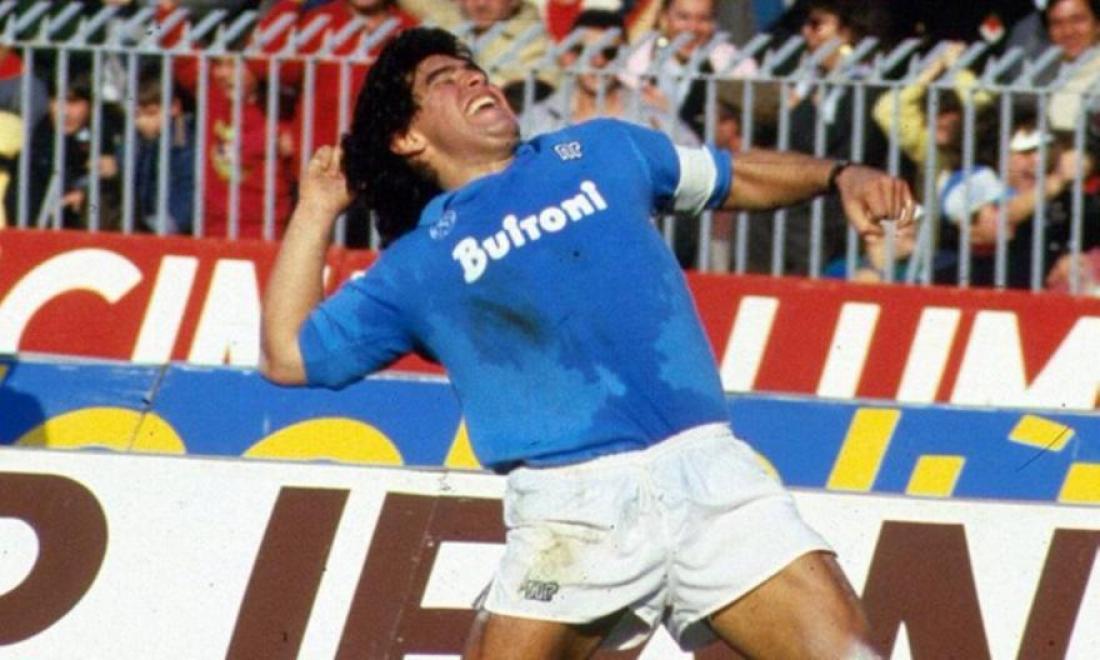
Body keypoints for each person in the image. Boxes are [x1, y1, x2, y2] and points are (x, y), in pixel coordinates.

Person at [261, 27, 914, 657]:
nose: (473, 79)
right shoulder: (417, 265)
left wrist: (840, 174)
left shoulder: (602, 150)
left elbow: (733, 175)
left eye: (473, 69)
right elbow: (286, 356)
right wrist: (316, 206)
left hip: (712, 480)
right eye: (443, 80)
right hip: (568, 514)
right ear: (408, 138)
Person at [521, 9, 699, 144]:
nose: (598, 62)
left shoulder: (653, 118)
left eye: (610, 53)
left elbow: (698, 165)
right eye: (587, 51)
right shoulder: (538, 120)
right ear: (570, 56)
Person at [131, 70, 197, 235]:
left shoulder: (185, 144)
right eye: (137, 114)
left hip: (171, 231)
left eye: (151, 113)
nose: (141, 122)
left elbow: (187, 192)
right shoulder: (140, 139)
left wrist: (160, 227)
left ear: (174, 107)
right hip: (148, 223)